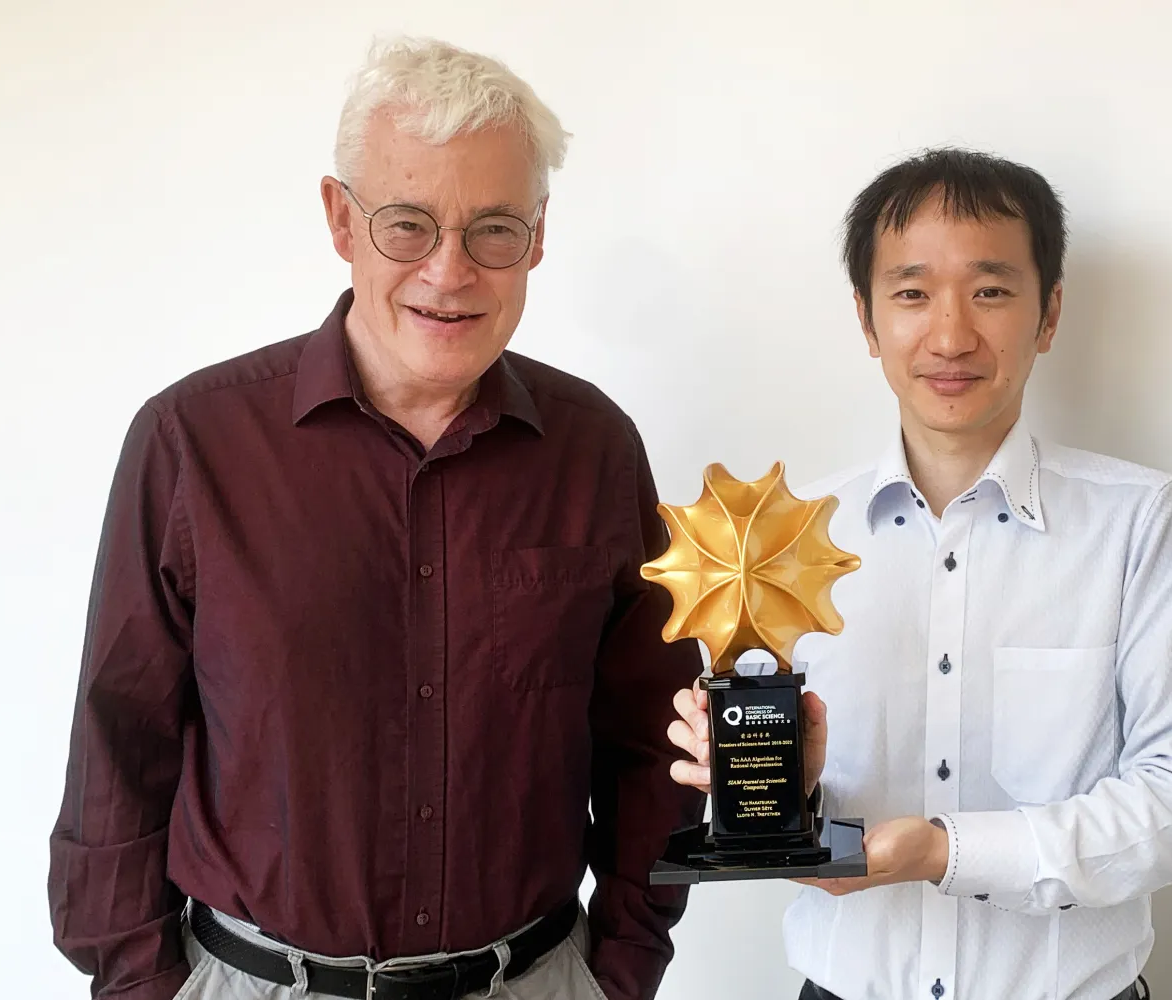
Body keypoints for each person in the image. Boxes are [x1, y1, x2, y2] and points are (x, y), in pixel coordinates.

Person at [49, 36, 704, 1000]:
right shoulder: (192, 442)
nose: (449, 272)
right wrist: (145, 985)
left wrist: (618, 968)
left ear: (538, 235)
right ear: (339, 220)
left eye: (494, 229)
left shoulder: (595, 448)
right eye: (407, 224)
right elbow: (118, 747)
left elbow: (654, 738)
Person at [668, 148, 1172, 1000]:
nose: (950, 334)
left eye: (991, 290)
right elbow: (765, 814)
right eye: (911, 292)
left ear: (1048, 314)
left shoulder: (1142, 522)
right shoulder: (782, 539)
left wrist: (947, 851)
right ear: (866, 321)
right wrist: (783, 792)